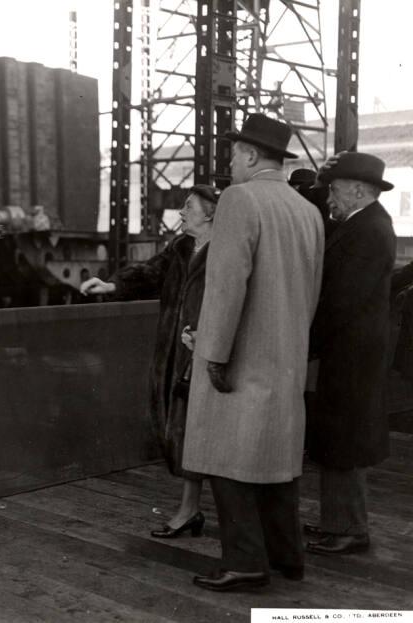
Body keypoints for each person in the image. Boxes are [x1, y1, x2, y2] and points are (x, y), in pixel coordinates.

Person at [182, 113, 324, 591]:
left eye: (233, 155)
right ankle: (288, 557)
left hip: (242, 357)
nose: (230, 164)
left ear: (248, 155)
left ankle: (245, 562)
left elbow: (225, 288)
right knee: (276, 464)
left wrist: (213, 354)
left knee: (229, 462)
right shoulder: (307, 210)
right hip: (285, 355)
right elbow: (312, 292)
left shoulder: (241, 201)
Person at [80, 184, 221, 538]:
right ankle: (193, 508)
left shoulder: (228, 251)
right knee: (178, 426)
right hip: (174, 352)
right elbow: (149, 273)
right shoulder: (180, 248)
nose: (182, 212)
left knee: (199, 430)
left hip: (206, 352)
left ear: (211, 213)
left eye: (189, 206)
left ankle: (195, 511)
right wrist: (111, 286)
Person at [305, 152, 396, 556]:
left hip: (351, 354)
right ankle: (336, 522)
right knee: (340, 438)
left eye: (336, 191)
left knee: (345, 440)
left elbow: (342, 300)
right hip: (353, 352)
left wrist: (307, 345)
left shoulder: (368, 229)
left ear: (359, 190)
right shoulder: (367, 224)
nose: (329, 200)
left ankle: (349, 529)